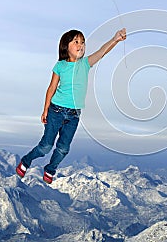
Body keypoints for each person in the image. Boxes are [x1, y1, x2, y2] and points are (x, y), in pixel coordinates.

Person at [16, 28, 126, 184]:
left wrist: (115, 39)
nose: (80, 45)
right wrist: (45, 109)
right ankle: (26, 161)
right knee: (46, 146)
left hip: (74, 115)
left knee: (63, 149)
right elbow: (52, 87)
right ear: (66, 46)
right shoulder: (60, 65)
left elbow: (102, 52)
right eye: (76, 42)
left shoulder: (85, 64)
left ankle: (50, 169)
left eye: (83, 42)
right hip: (56, 111)